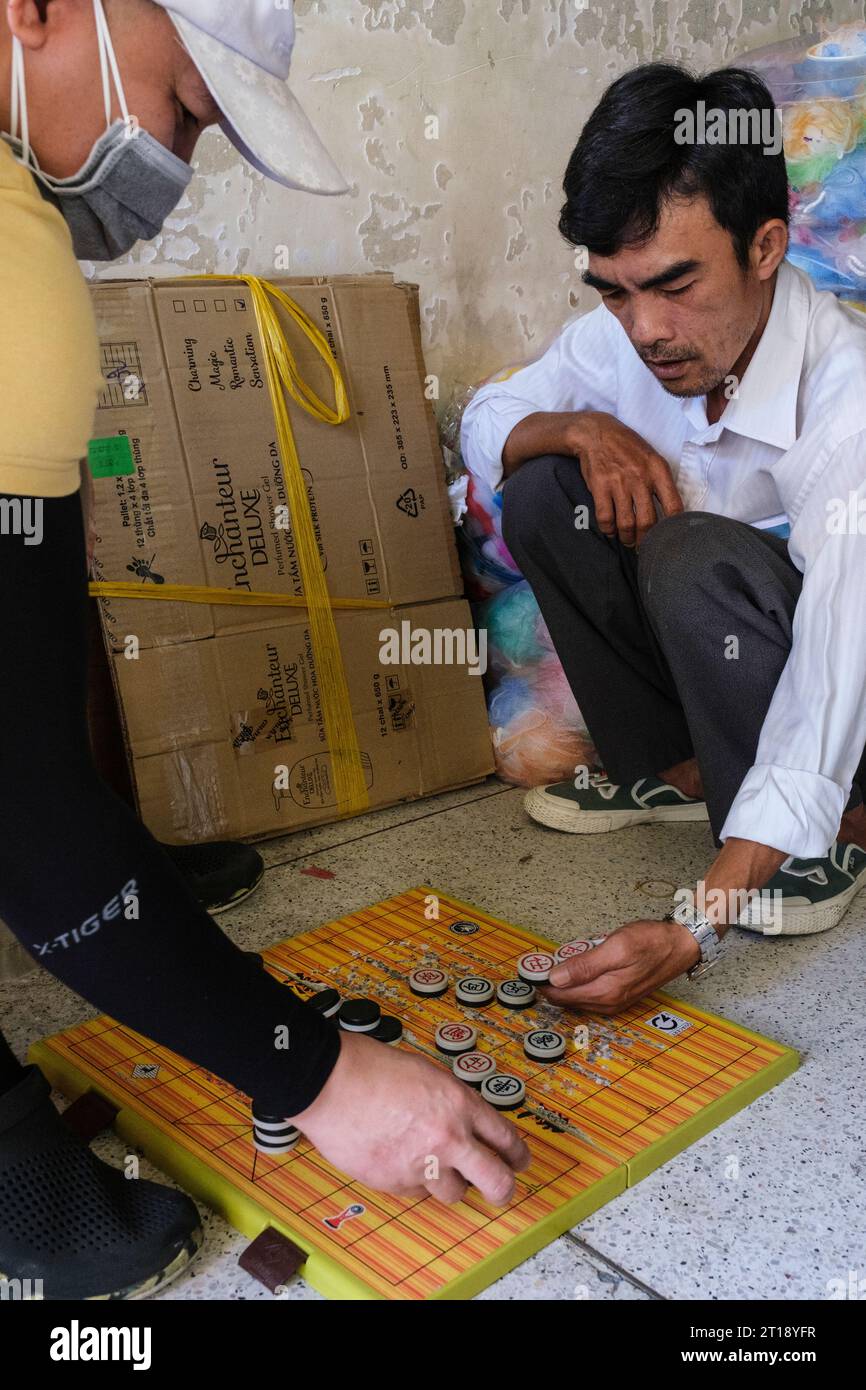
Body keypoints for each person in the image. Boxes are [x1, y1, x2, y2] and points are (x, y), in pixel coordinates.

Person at [0, 0, 528, 1301]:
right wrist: (316, 1071)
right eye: (184, 106)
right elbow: (19, 808)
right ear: (37, 11)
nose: (175, 166)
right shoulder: (13, 273)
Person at [461, 62, 866, 1014]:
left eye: (675, 285)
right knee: (544, 489)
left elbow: (834, 675)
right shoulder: (629, 339)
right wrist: (575, 430)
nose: (646, 330)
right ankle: (676, 774)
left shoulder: (848, 409)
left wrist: (696, 922)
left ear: (767, 247)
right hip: (738, 659)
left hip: (850, 693)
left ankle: (818, 839)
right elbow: (488, 418)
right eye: (614, 292)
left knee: (690, 552)